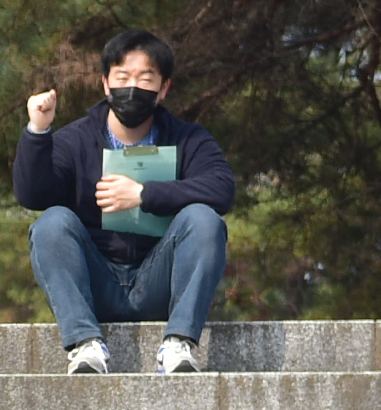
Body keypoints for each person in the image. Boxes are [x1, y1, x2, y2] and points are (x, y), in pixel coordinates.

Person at [14, 28, 235, 376]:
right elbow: (32, 195)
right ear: (105, 84)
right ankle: (85, 343)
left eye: (146, 78)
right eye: (122, 76)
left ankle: (178, 342)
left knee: (205, 219)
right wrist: (38, 132)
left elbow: (222, 190)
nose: (132, 87)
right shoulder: (76, 139)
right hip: (97, 280)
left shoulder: (189, 138)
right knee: (52, 222)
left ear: (164, 89)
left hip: (160, 282)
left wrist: (146, 194)